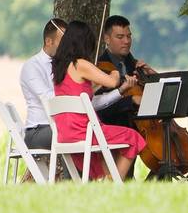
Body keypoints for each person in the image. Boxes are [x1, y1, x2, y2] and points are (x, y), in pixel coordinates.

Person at [20, 18, 138, 151]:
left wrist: (118, 90)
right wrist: (91, 85)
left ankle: (98, 171)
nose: (67, 44)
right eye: (64, 41)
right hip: (41, 129)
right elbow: (52, 100)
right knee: (85, 137)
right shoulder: (32, 66)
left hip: (64, 127)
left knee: (95, 135)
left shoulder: (66, 66)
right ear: (48, 41)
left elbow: (87, 104)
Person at [50, 21, 146, 181]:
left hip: (65, 132)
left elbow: (83, 94)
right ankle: (115, 183)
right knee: (132, 137)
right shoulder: (80, 63)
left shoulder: (60, 67)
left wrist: (96, 83)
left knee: (109, 147)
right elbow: (113, 82)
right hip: (84, 131)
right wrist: (115, 72)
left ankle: (108, 179)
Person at [95, 15, 152, 128]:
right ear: (107, 39)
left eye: (129, 36)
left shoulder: (136, 65)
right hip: (119, 129)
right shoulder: (99, 69)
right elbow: (99, 109)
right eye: (120, 37)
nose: (126, 41)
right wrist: (131, 101)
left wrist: (153, 77)